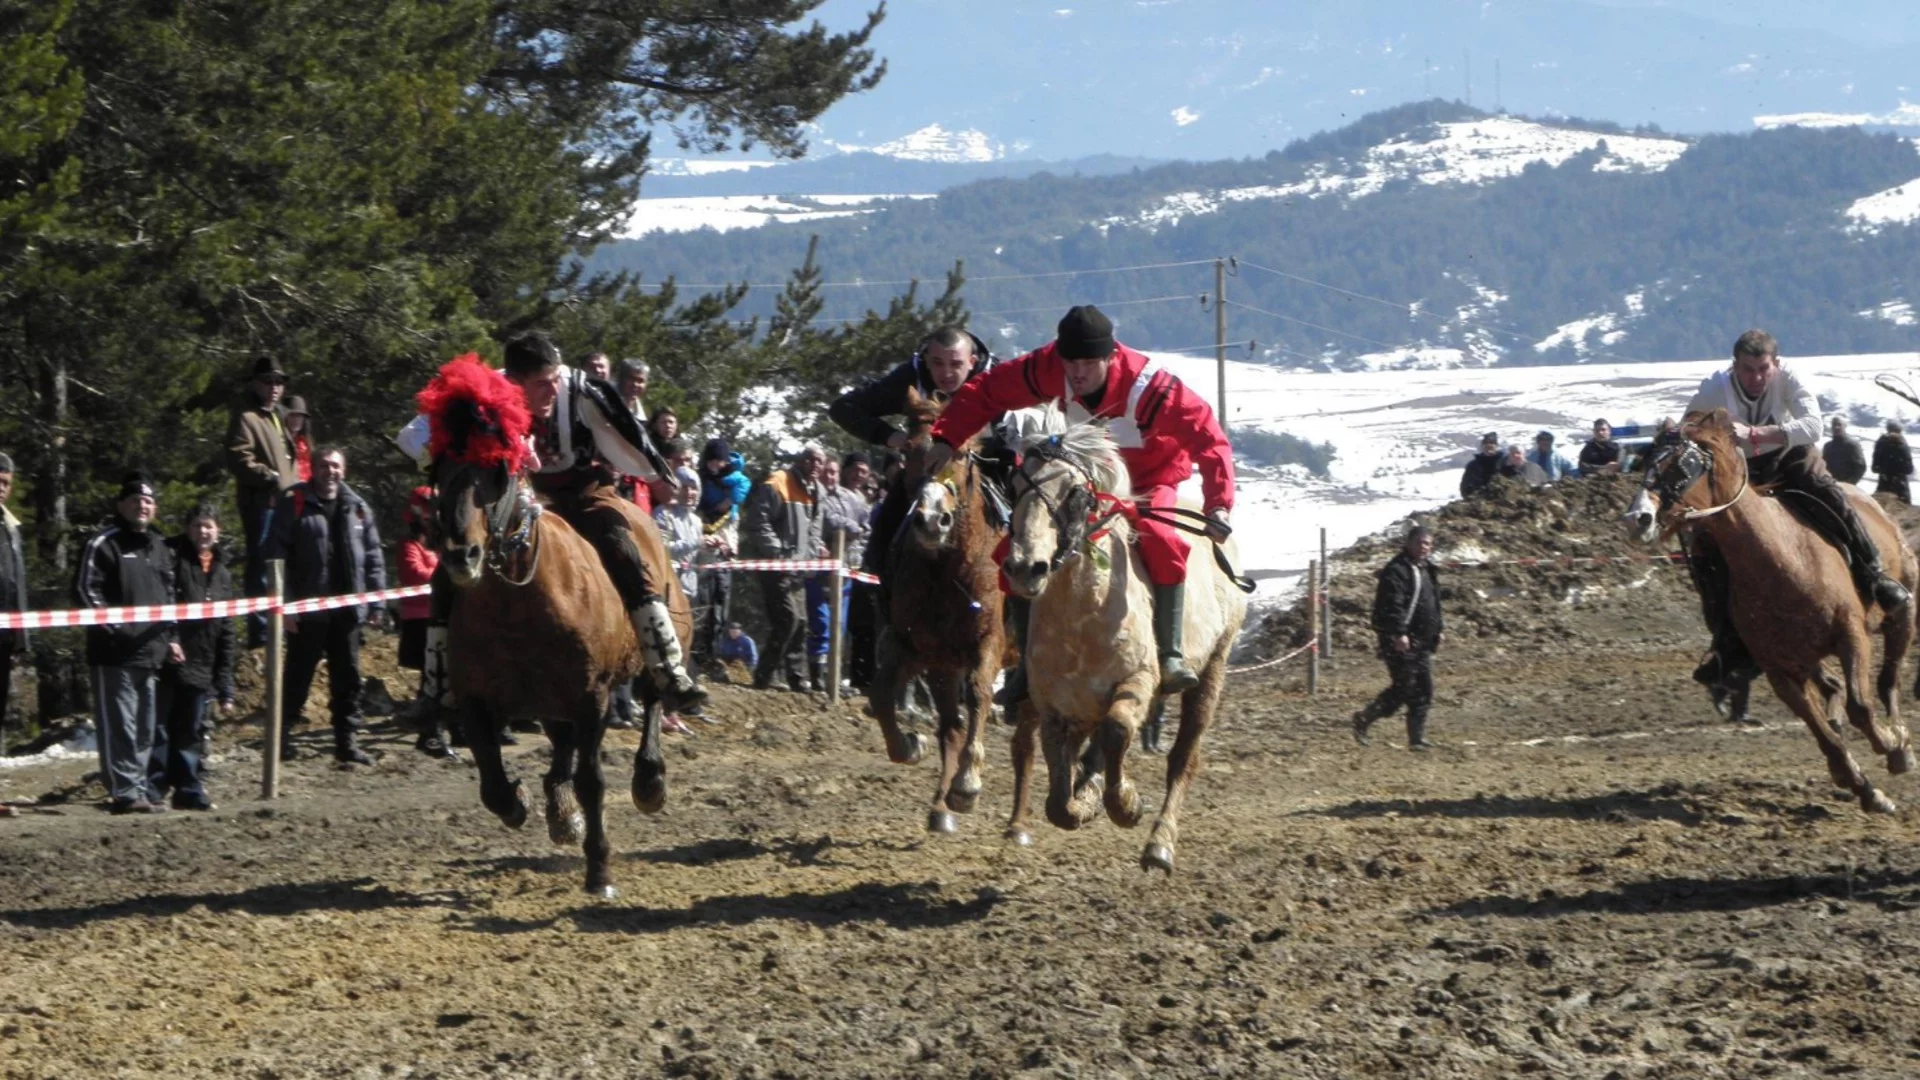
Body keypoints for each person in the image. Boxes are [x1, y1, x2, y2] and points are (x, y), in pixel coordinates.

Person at [924, 304, 1234, 699]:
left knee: (1159, 537)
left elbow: (1209, 438)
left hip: (1149, 477)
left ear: (1111, 357)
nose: (1077, 373)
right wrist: (946, 436)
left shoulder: (1151, 388)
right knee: (1020, 543)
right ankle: (1023, 666)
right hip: (1086, 475)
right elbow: (985, 392)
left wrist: (1218, 503)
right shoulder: (1046, 367)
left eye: (1088, 364)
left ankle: (1169, 652)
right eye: (1070, 362)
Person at [1684, 330, 1911, 695]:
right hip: (1740, 472)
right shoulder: (1714, 388)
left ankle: (1875, 577)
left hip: (1790, 457)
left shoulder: (1790, 378)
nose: (1756, 378)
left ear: (1776, 364)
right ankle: (1726, 638)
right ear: (1734, 367)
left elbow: (1813, 426)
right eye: (1747, 370)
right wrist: (1712, 435)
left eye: (1763, 369)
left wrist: (1758, 433)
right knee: (1705, 546)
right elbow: (1688, 429)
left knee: (1830, 497)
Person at [500, 332, 707, 715]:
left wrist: (657, 475)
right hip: (518, 500)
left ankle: (666, 665)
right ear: (516, 380)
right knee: (459, 563)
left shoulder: (582, 392)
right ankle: (440, 682)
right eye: (541, 384)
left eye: (554, 380)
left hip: (584, 494)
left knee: (624, 548)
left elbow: (628, 438)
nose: (551, 390)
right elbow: (422, 435)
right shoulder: (492, 392)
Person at [263, 447, 386, 765]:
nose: (329, 471)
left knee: (349, 680)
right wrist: (285, 606)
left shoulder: (357, 507)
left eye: (335, 466)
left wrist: (377, 602)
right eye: (323, 465)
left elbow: (373, 557)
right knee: (297, 678)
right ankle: (281, 739)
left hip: (347, 611)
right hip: (307, 610)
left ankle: (347, 743)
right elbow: (275, 555)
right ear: (312, 469)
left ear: (343, 471)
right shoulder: (294, 503)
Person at [75, 473, 179, 813]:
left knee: (145, 727)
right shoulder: (103, 542)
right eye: (135, 500)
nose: (142, 506)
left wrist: (171, 636)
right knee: (120, 724)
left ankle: (139, 787)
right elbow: (85, 590)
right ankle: (123, 790)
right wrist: (116, 628)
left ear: (155, 508)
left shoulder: (160, 545)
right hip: (114, 654)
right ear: (121, 505)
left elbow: (170, 596)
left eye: (148, 501)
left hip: (152, 651)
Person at [150, 502, 235, 811]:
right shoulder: (172, 558)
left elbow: (227, 626)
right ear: (188, 528)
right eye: (198, 525)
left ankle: (188, 788)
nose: (203, 531)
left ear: (218, 530)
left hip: (203, 660)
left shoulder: (222, 571)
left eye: (209, 525)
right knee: (159, 727)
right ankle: (154, 788)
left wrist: (225, 679)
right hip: (169, 657)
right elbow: (163, 601)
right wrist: (170, 639)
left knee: (191, 730)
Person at [741, 444, 824, 691]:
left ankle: (797, 677)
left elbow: (814, 529)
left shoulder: (817, 490)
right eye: (811, 460)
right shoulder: (777, 482)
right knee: (787, 619)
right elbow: (758, 521)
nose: (816, 465)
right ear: (800, 460)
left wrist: (811, 555)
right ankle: (766, 674)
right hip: (774, 565)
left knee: (801, 622)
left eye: (819, 461)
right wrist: (776, 552)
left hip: (799, 566)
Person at [1351, 526, 1443, 750]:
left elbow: (1433, 602)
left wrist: (1438, 628)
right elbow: (1392, 605)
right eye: (1420, 542)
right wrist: (1398, 633)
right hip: (1399, 641)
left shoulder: (1426, 569)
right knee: (1405, 687)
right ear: (1408, 543)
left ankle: (1416, 739)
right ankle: (1364, 718)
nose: (1424, 547)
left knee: (1423, 690)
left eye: (1428, 544)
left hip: (1421, 640)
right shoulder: (1397, 570)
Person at [225, 355, 295, 646]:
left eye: (279, 382)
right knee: (262, 566)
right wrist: (271, 476)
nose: (274, 387)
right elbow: (238, 457)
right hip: (262, 504)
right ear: (255, 383)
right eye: (268, 381)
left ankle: (281, 628)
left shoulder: (278, 415)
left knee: (284, 566)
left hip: (287, 503)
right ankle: (261, 633)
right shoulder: (246, 417)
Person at [396, 487, 457, 759]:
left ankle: (455, 729)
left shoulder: (442, 542)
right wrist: (446, 570)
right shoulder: (409, 545)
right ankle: (429, 735)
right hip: (420, 620)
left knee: (448, 676)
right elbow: (415, 575)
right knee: (430, 679)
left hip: (442, 616)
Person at [807, 455, 871, 689]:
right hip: (821, 567)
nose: (830, 476)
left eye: (833, 472)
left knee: (840, 625)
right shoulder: (817, 495)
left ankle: (833, 676)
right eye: (828, 472)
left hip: (847, 566)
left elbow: (867, 529)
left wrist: (860, 548)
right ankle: (817, 675)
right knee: (822, 622)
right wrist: (855, 528)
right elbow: (831, 522)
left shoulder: (855, 498)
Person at [652, 467, 706, 734]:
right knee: (666, 650)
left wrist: (713, 548)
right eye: (685, 487)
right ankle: (658, 709)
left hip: (690, 587)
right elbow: (662, 548)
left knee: (685, 650)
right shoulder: (663, 515)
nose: (690, 492)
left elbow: (698, 557)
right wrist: (695, 543)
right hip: (668, 589)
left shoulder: (696, 520)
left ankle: (673, 711)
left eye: (694, 487)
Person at [694, 438, 749, 667]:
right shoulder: (700, 477)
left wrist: (730, 501)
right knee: (704, 594)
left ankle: (713, 651)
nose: (716, 465)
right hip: (705, 527)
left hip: (727, 529)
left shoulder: (735, 475)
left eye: (720, 461)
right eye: (713, 460)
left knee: (721, 598)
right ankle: (698, 650)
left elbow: (744, 486)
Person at [0, 453, 25, 741]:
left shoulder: (11, 527)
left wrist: (22, 637)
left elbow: (17, 582)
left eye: (6, 482)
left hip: (5, 636)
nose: (1, 487)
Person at [1874, 420, 1912, 503]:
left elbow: (1875, 468)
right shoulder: (1902, 444)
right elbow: (1909, 469)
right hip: (1900, 487)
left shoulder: (1881, 442)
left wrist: (1884, 470)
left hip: (1884, 484)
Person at [1823, 417, 1868, 485]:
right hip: (1830, 485)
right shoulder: (1828, 446)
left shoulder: (1852, 445)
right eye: (1834, 425)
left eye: (1839, 424)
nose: (1836, 427)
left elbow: (1860, 467)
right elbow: (1823, 465)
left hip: (1847, 487)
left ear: (1844, 426)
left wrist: (1849, 483)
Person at [1459, 432, 1504, 497]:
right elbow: (1465, 487)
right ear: (1482, 446)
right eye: (1486, 443)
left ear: (1496, 446)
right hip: (1478, 501)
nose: (1488, 446)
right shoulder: (1473, 465)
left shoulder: (1504, 463)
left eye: (1491, 443)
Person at [284, 396, 314, 484]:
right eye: (292, 415)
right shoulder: (280, 441)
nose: (296, 419)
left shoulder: (306, 443)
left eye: (300, 416)